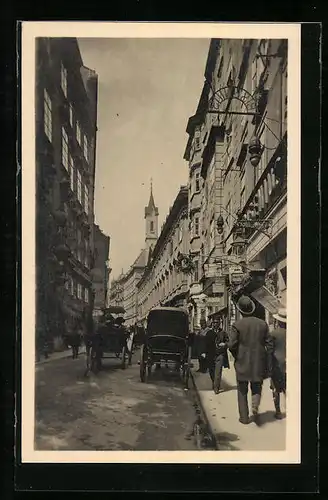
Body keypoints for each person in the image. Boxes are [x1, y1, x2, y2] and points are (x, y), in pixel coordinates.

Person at [228, 295, 273, 425]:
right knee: (256, 386)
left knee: (242, 390)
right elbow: (270, 345)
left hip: (242, 362)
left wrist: (237, 355)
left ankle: (244, 418)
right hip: (258, 362)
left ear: (241, 311)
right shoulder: (262, 324)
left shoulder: (237, 325)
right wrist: (266, 359)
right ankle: (255, 405)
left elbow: (231, 345)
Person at [269, 308, 287, 419]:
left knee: (276, 389)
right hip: (289, 363)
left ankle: (278, 411)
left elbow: (269, 350)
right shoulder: (292, 333)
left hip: (277, 364)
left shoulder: (273, 334)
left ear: (278, 321)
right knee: (287, 388)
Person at [205, 317, 230, 394]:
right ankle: (214, 382)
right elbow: (205, 344)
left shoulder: (223, 333)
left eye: (217, 322)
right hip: (211, 355)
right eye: (214, 323)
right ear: (212, 324)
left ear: (219, 323)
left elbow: (229, 342)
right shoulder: (209, 333)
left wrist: (225, 344)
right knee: (211, 371)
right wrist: (204, 352)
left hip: (220, 355)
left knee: (218, 372)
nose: (215, 324)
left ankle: (216, 387)